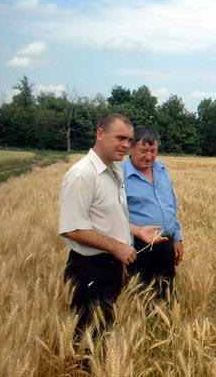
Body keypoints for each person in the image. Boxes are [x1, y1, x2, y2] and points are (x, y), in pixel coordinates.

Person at [59, 113, 139, 335]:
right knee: (89, 338)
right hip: (90, 268)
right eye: (120, 138)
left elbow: (112, 221)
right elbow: (72, 228)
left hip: (111, 264)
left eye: (129, 140)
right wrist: (116, 248)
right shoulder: (82, 175)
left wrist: (120, 260)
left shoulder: (114, 171)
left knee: (104, 334)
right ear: (100, 133)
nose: (126, 145)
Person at [120, 126, 184, 297]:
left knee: (167, 294)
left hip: (166, 245)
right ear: (131, 148)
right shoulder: (119, 174)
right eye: (143, 150)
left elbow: (171, 204)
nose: (149, 156)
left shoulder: (161, 168)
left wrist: (176, 237)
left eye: (153, 151)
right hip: (138, 247)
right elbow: (112, 217)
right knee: (140, 296)